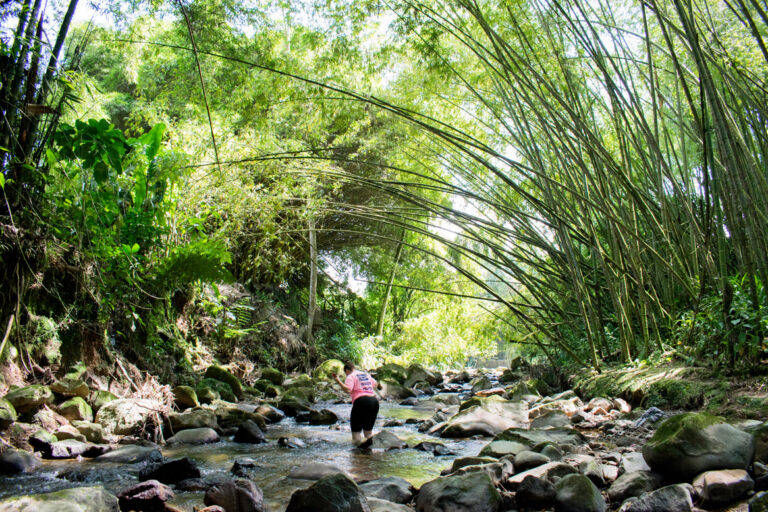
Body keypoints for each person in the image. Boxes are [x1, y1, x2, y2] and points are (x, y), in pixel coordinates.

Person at [334, 361, 379, 447]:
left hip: (361, 401)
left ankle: (357, 456)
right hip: (374, 401)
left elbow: (348, 389)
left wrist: (338, 381)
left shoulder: (351, 376)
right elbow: (375, 384)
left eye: (345, 373)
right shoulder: (365, 374)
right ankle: (369, 455)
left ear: (347, 370)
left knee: (356, 434)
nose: (346, 375)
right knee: (368, 433)